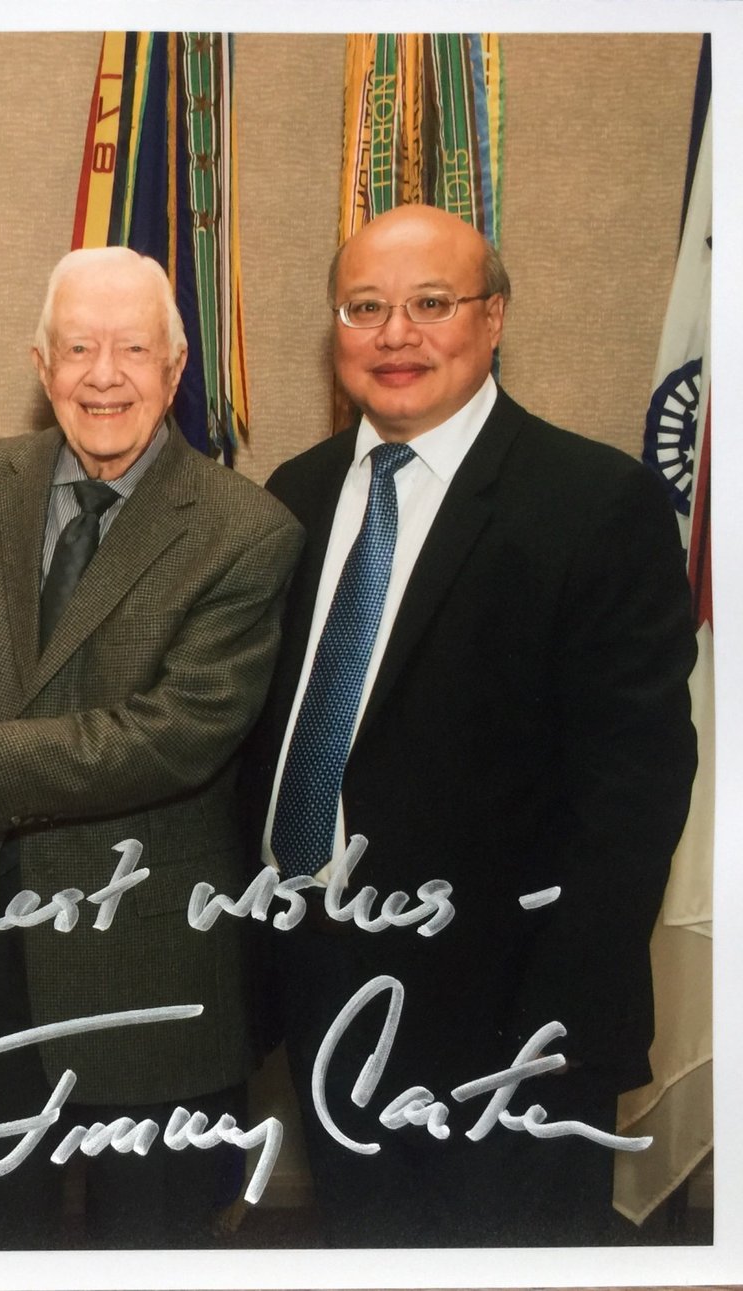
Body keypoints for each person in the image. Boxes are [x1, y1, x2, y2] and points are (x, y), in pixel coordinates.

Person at [0, 246, 302, 1248]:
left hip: (146, 966)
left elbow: (175, 734)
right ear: (41, 364)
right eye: (77, 348)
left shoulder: (247, 531)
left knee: (148, 1249)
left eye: (132, 349)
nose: (102, 375)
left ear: (176, 366)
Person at [238, 203, 697, 1245]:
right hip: (321, 981)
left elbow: (632, 797)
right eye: (364, 308)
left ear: (493, 319)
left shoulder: (594, 503)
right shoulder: (296, 496)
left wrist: (549, 1032)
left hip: (510, 1021)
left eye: (430, 303)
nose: (395, 334)